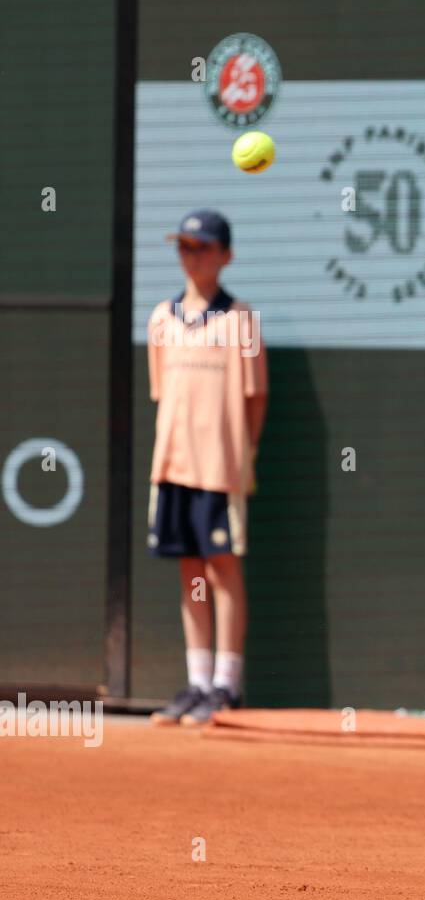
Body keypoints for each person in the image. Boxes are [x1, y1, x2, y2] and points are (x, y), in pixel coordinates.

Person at [147, 210, 268, 727]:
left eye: (202, 247)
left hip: (221, 468)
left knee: (222, 569)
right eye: (184, 247)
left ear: (225, 256)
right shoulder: (161, 319)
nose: (191, 256)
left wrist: (242, 455)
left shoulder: (240, 320)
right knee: (189, 570)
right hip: (172, 466)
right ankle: (196, 683)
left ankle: (226, 685)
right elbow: (161, 392)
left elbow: (255, 397)